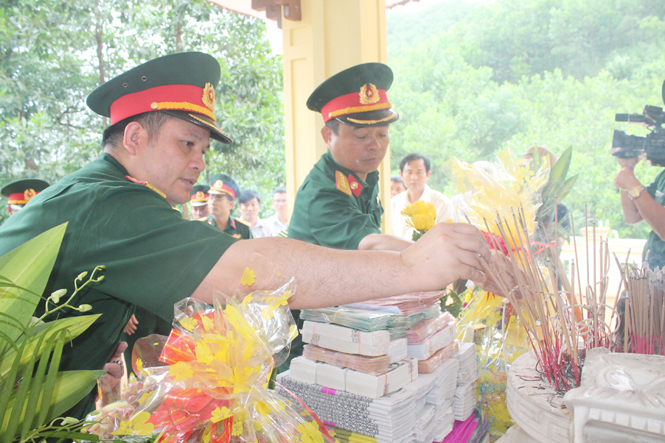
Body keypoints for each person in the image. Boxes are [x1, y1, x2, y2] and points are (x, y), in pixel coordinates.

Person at [0, 52, 504, 419]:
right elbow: (252, 270)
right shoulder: (108, 204)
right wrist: (414, 267)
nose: (199, 163)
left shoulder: (106, 194)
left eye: (203, 148)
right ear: (134, 138)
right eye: (186, 143)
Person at [288, 62, 412, 252]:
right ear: (328, 136)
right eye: (361, 136)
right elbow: (370, 243)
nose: (375, 146)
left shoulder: (363, 173)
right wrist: (432, 253)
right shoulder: (322, 193)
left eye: (382, 134)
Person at [615, 155, 665, 269]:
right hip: (654, 269)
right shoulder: (663, 176)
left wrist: (632, 184)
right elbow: (632, 215)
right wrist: (627, 168)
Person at [391, 153, 454, 240]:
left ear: (428, 174)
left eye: (419, 172)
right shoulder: (394, 202)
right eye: (409, 172)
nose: (414, 177)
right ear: (401, 174)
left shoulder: (441, 202)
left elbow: (448, 237)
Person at [204, 174, 252, 239]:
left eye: (218, 199)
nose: (212, 202)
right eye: (211, 198)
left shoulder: (243, 228)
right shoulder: (202, 226)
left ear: (230, 204)